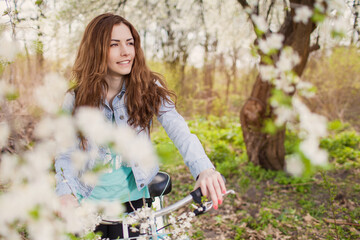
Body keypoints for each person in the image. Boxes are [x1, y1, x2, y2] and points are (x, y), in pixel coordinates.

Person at [55, 13, 226, 239]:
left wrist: (204, 169)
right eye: (114, 44)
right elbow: (65, 154)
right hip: (89, 204)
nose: (126, 51)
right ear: (96, 50)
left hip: (136, 203)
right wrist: (66, 194)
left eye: (130, 43)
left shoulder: (148, 88)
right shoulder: (74, 99)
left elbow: (180, 131)